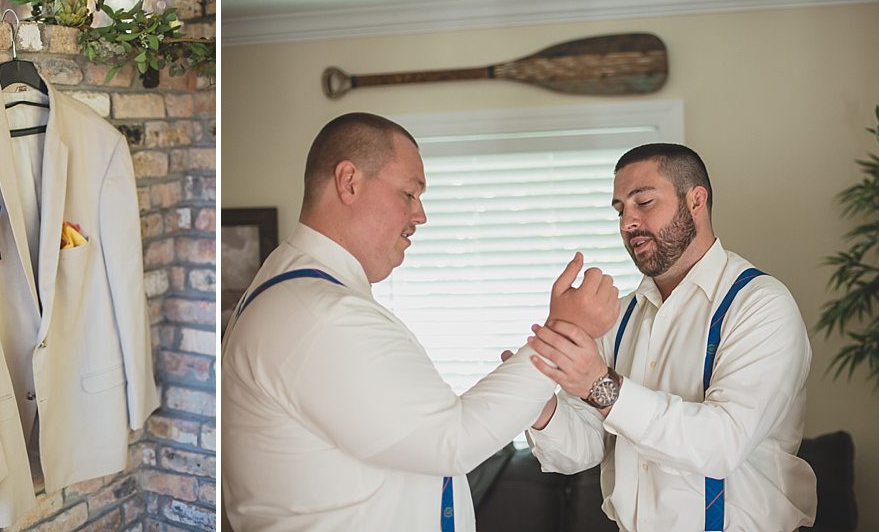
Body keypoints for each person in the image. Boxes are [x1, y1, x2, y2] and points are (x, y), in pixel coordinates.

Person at [220, 112, 620, 531]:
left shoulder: (304, 295)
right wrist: (566, 330)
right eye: (409, 194)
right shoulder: (319, 315)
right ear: (349, 182)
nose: (421, 215)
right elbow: (451, 440)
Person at [520, 143, 817, 531]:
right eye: (620, 209)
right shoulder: (620, 316)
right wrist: (538, 404)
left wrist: (600, 385)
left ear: (696, 200)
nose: (628, 222)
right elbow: (585, 447)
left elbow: (721, 444)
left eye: (643, 202)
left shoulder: (760, 305)